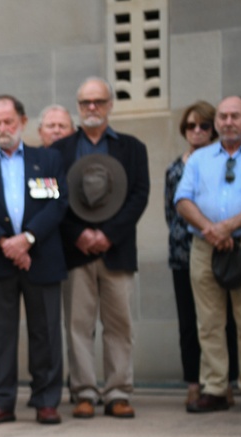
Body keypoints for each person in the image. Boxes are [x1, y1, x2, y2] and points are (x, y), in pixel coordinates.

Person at [0, 95, 68, 425]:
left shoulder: (48, 159)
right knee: (0, 333)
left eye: (9, 121)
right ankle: (3, 400)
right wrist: (5, 243)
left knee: (46, 332)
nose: (3, 128)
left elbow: (58, 203)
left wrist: (27, 239)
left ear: (22, 122)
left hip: (42, 257)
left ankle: (47, 400)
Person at [51, 77, 150, 419]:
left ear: (110, 104)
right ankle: (84, 392)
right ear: (78, 107)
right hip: (75, 252)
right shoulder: (59, 151)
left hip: (117, 250)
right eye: (85, 103)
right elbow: (53, 199)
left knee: (119, 325)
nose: (91, 108)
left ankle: (118, 391)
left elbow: (139, 196)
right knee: (78, 326)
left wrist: (108, 234)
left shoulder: (132, 148)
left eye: (98, 101)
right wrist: (78, 233)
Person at [175, 95, 241, 415]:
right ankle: (216, 387)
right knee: (208, 321)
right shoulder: (199, 159)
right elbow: (182, 199)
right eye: (223, 117)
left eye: (235, 116)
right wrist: (211, 229)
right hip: (204, 247)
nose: (228, 122)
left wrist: (229, 227)